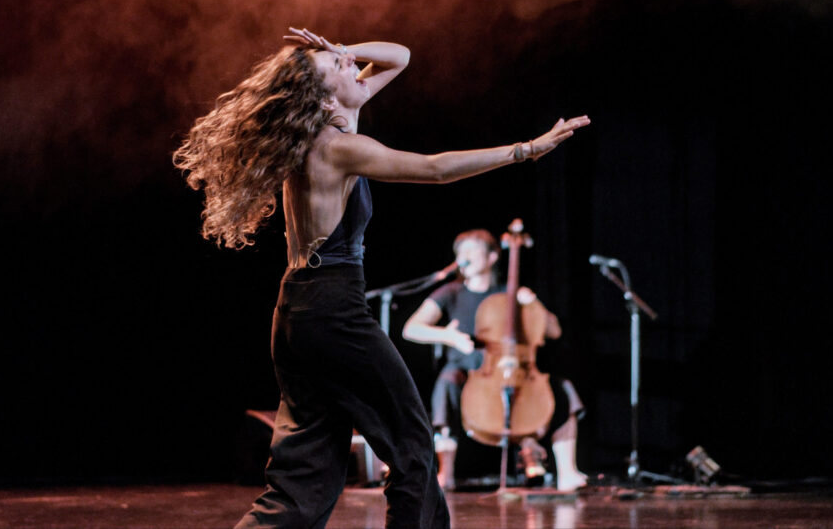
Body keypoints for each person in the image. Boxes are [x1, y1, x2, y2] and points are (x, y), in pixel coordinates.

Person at [173, 27, 590, 529]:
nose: (353, 67)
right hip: (333, 312)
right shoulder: (335, 146)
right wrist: (526, 150)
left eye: (349, 61)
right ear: (325, 97)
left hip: (298, 314)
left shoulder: (324, 126)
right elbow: (434, 169)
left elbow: (401, 54)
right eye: (341, 68)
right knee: (412, 446)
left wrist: (339, 51)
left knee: (303, 481)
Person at [402, 229, 588, 492]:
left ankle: (568, 471)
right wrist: (447, 336)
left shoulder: (510, 294)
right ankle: (446, 472)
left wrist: (534, 304)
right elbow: (411, 329)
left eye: (471, 250)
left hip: (516, 371)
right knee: (447, 381)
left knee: (562, 388)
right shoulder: (451, 292)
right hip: (470, 372)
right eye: (459, 252)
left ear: (491, 257)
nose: (463, 256)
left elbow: (554, 331)